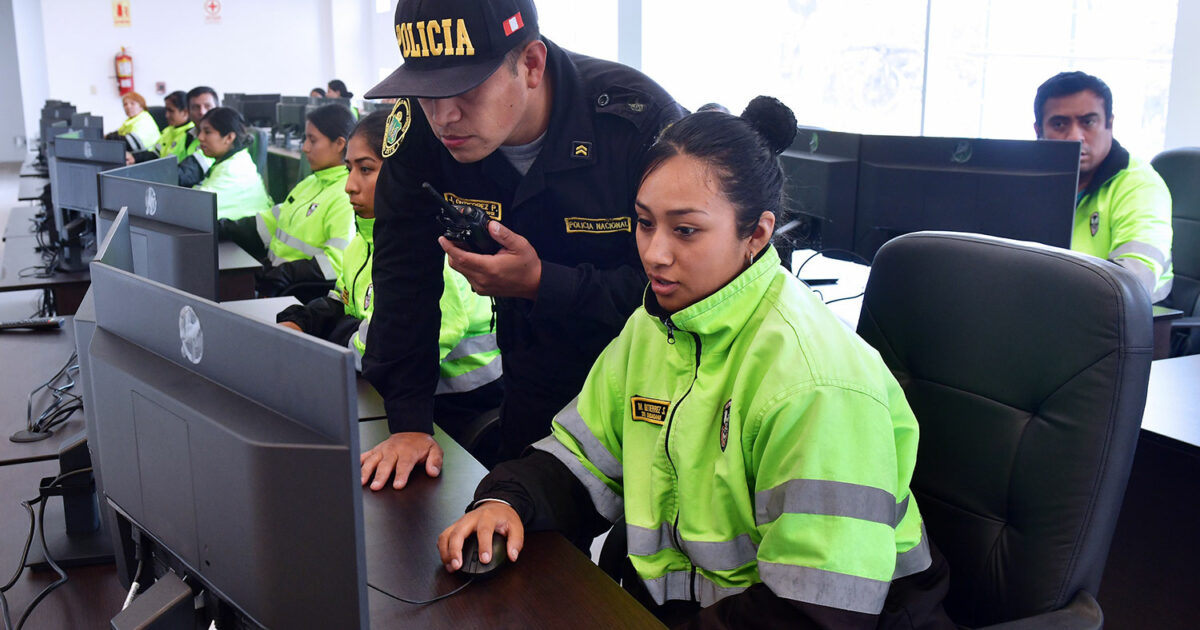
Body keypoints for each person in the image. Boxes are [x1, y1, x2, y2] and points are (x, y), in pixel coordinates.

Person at [437, 97, 954, 629]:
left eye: (685, 230)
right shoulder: (657, 323)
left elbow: (817, 608)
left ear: (756, 234)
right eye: (643, 223)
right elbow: (582, 459)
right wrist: (507, 501)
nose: (654, 253)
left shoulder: (813, 379)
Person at [359, 0, 684, 490]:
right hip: (530, 372)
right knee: (520, 526)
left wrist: (543, 284)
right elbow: (402, 280)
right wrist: (408, 423)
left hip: (652, 385)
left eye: (463, 88)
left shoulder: (635, 122)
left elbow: (688, 292)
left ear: (531, 64)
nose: (443, 115)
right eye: (426, 92)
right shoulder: (416, 133)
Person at [276, 111, 503, 450]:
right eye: (349, 168)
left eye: (366, 169)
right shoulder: (362, 242)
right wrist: (301, 320)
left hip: (451, 411)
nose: (350, 185)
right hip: (393, 399)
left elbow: (388, 348)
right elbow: (345, 300)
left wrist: (335, 338)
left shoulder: (433, 253)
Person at [1034, 71, 1173, 302]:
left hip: (1125, 324)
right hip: (1045, 311)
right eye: (1059, 124)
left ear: (1109, 124)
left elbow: (1132, 286)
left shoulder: (1140, 185)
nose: (1075, 137)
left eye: (1088, 122)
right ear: (1039, 131)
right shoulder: (1027, 180)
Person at [220, 104, 357, 299]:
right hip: (276, 285)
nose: (305, 147)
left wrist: (285, 273)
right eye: (305, 139)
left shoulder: (346, 194)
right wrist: (221, 228)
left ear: (340, 144)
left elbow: (336, 264)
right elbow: (268, 223)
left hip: (299, 296)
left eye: (313, 140)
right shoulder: (311, 183)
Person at [194, 107, 272, 221]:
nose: (200, 137)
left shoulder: (234, 169)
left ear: (229, 137)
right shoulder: (234, 159)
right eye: (200, 131)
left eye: (207, 132)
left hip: (243, 236)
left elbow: (195, 207)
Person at [129, 91, 194, 164]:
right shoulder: (168, 130)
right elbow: (156, 154)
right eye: (166, 110)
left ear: (185, 112)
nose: (166, 115)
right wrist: (134, 157)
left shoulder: (191, 135)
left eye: (171, 111)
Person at [178, 86, 221, 187]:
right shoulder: (187, 135)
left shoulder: (220, 140)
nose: (202, 112)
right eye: (196, 107)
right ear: (188, 112)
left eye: (208, 106)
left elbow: (184, 176)